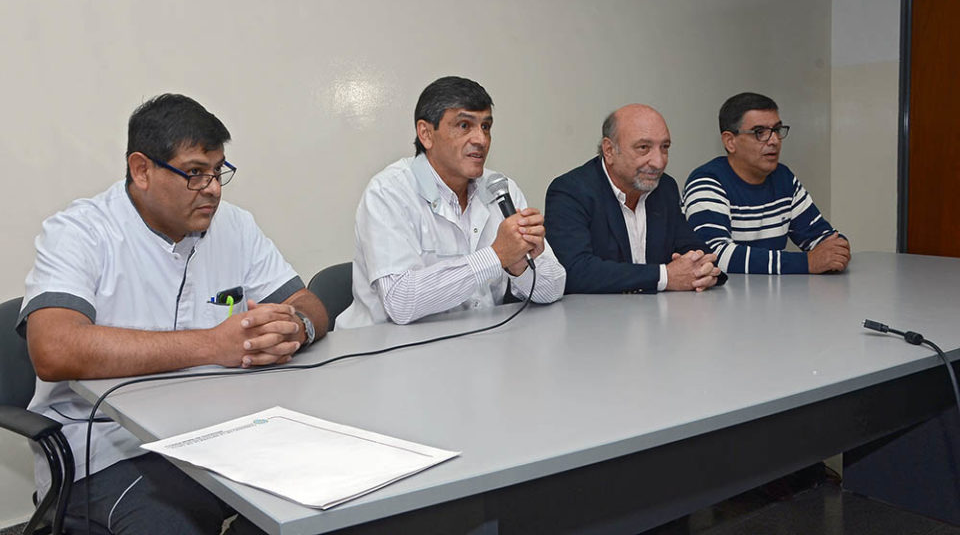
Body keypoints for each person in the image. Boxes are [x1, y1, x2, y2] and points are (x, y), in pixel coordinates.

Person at [18, 94, 329, 534]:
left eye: (218, 171)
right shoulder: (80, 231)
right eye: (195, 173)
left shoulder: (235, 225)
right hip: (107, 445)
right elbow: (53, 349)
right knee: (174, 524)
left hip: (217, 428)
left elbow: (308, 302)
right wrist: (213, 345)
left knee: (320, 491)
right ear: (142, 170)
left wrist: (297, 326)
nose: (213, 188)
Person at [336, 76, 566, 328]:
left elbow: (553, 290)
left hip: (477, 343)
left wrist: (520, 267)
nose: (481, 139)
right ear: (426, 134)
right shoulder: (388, 191)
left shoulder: (502, 189)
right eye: (464, 125)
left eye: (486, 127)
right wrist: (497, 255)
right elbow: (401, 302)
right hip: (385, 347)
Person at [544, 104, 723, 294]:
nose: (659, 162)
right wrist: (665, 276)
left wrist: (702, 270)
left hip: (659, 310)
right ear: (609, 150)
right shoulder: (571, 191)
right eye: (643, 148)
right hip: (597, 312)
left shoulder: (664, 187)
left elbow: (694, 249)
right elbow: (574, 270)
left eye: (664, 147)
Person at [683, 92, 850, 274]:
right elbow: (714, 255)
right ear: (730, 142)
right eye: (759, 133)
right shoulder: (707, 182)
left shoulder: (783, 178)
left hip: (773, 290)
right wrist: (807, 262)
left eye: (777, 130)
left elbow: (824, 238)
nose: (774, 141)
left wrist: (835, 251)